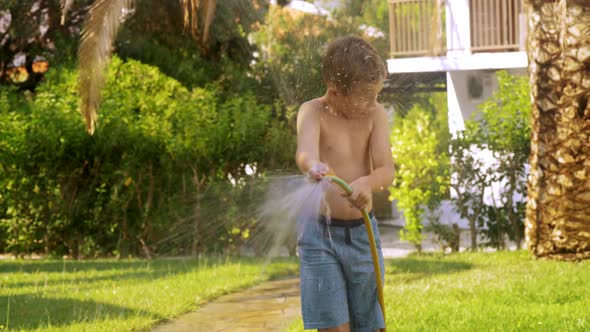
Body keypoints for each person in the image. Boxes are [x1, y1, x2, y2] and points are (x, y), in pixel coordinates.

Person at [295, 35, 395, 332]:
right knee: (333, 326)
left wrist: (367, 182)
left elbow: (386, 169)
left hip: (362, 234)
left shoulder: (374, 115)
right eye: (364, 99)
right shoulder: (312, 111)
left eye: (375, 96)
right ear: (334, 92)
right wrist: (314, 166)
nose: (372, 105)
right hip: (319, 235)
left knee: (369, 324)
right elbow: (304, 152)